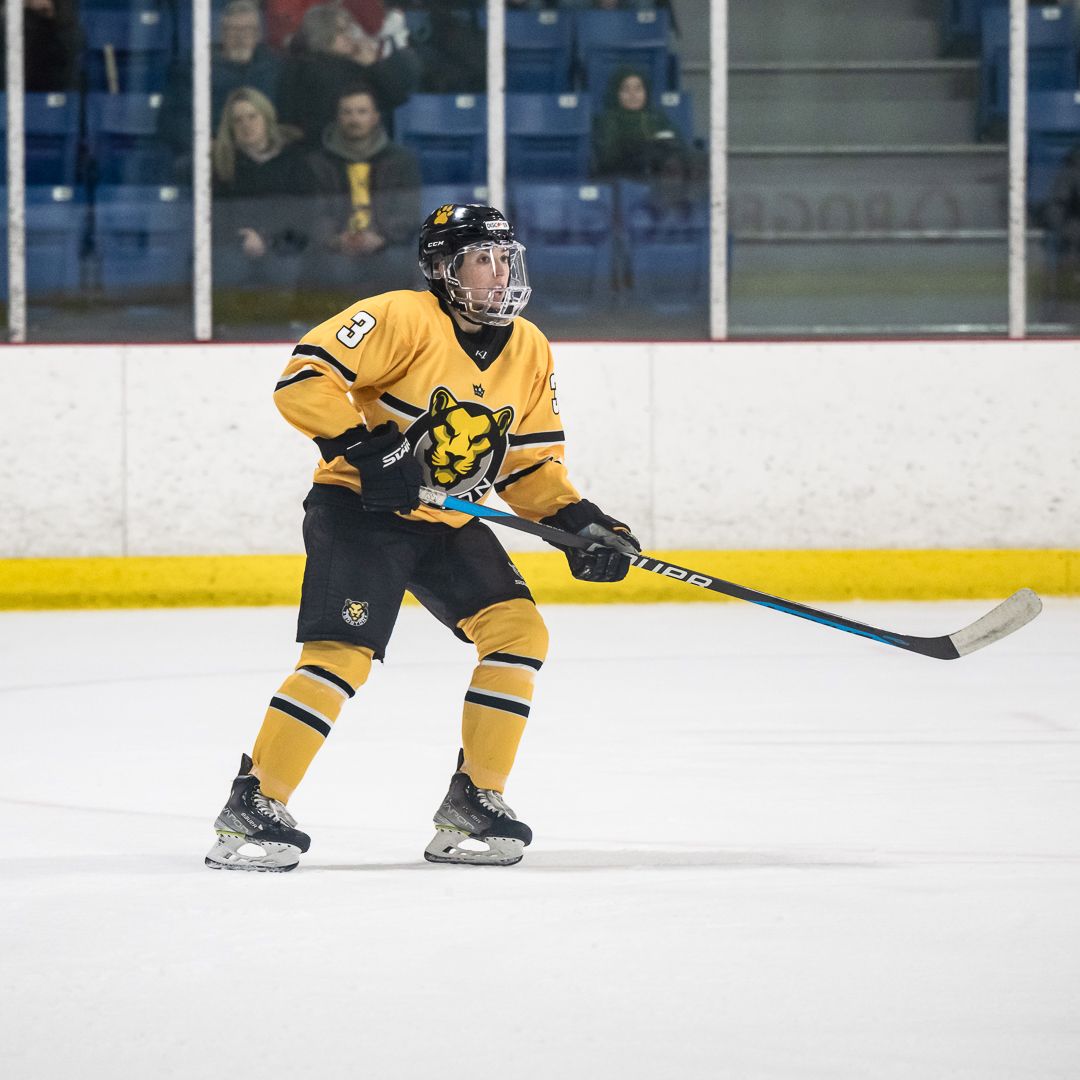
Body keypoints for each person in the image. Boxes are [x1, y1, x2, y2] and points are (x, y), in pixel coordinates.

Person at [205, 202, 640, 872]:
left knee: (518, 631)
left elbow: (527, 464)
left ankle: (476, 797)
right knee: (342, 655)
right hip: (360, 512)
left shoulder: (529, 346)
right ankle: (255, 801)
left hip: (448, 520)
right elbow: (303, 379)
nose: (498, 274)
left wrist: (580, 521)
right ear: (443, 268)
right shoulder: (403, 317)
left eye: (504, 259)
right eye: (482, 260)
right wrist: (366, 448)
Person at [306, 86, 422, 293]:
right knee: (329, 267)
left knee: (397, 262)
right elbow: (313, 212)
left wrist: (381, 238)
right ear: (338, 117)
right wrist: (336, 240)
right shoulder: (318, 163)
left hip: (386, 244)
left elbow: (408, 211)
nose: (354, 119)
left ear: (375, 117)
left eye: (361, 112)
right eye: (347, 112)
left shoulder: (400, 160)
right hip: (336, 247)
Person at [212, 87, 318, 287]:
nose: (246, 125)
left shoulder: (294, 159)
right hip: (236, 243)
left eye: (252, 116)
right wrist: (242, 237)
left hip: (284, 241)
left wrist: (267, 237)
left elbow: (305, 210)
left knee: (283, 266)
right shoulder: (222, 164)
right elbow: (216, 215)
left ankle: (285, 317)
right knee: (227, 265)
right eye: (238, 120)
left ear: (266, 118)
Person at [276, 2, 420, 144]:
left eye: (349, 30)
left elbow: (397, 98)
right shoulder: (306, 69)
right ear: (321, 34)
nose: (349, 37)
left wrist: (373, 65)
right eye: (340, 31)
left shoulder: (354, 67)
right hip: (321, 150)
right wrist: (372, 66)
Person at [158, 0, 283, 158]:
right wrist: (205, 142)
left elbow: (286, 118)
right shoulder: (194, 68)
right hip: (212, 154)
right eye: (233, 30)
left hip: (263, 153)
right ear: (222, 33)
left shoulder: (275, 68)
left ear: (258, 34)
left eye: (247, 30)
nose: (240, 37)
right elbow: (170, 120)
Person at [592, 65, 684, 180]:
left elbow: (678, 142)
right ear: (616, 93)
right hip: (626, 176)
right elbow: (608, 158)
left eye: (638, 89)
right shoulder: (608, 120)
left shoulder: (656, 116)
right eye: (626, 90)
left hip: (663, 172)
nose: (633, 95)